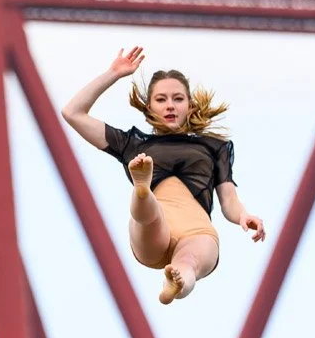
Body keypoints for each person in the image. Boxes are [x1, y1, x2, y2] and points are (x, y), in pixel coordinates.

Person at [61, 47, 265, 305]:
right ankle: (143, 189)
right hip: (155, 227)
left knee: (188, 263)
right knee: (148, 212)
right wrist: (112, 74)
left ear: (189, 105)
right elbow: (72, 113)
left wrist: (243, 216)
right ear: (149, 107)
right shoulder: (132, 144)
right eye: (161, 99)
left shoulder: (214, 147)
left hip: (196, 229)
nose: (170, 105)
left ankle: (176, 282)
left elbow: (229, 201)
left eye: (178, 99)